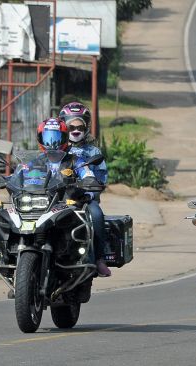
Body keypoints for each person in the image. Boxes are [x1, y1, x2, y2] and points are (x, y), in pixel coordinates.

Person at [59, 102, 111, 277]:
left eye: (80, 126)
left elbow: (102, 177)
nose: (75, 130)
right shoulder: (57, 149)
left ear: (86, 127)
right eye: (71, 126)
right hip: (57, 199)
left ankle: (99, 259)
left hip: (84, 200)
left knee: (96, 214)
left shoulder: (92, 151)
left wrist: (92, 190)